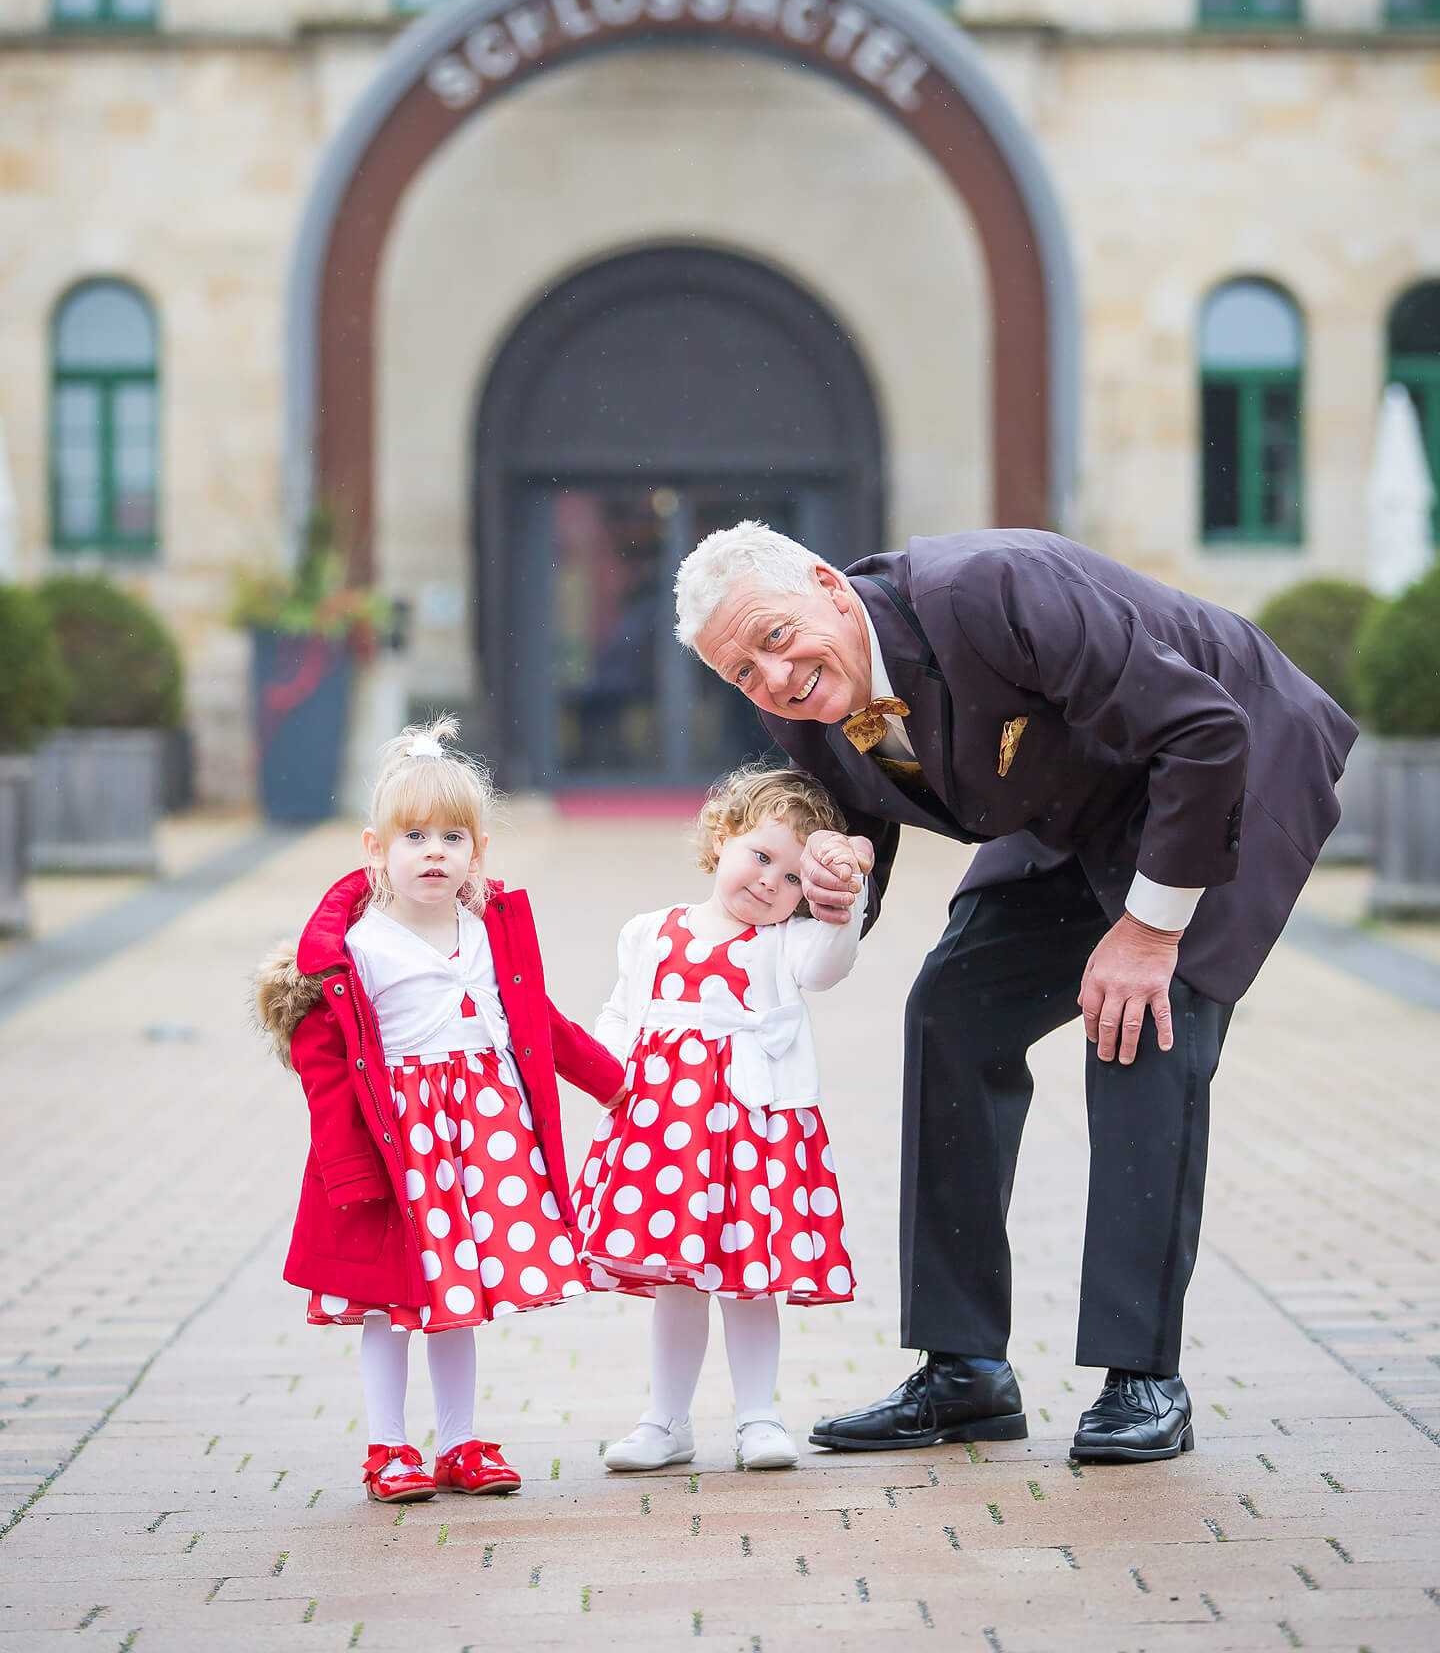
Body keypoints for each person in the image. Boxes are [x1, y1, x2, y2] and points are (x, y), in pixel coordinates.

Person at [674, 523, 1355, 1464]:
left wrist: (1151, 930)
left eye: (774, 638)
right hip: (1072, 796)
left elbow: (1202, 732)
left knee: (1138, 1030)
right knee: (950, 1012)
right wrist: (837, 884)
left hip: (1220, 761)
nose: (771, 675)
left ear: (829, 586)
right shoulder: (802, 710)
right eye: (741, 671)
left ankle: (1142, 1377)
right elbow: (856, 829)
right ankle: (964, 1375)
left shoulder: (993, 592)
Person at [255, 717, 624, 1504]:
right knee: (392, 1301)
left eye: (452, 837)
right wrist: (345, 1162)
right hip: (399, 1144)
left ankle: (458, 1442)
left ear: (477, 854)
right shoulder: (354, 949)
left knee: (457, 1301)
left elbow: (538, 1024)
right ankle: (389, 1446)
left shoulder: (487, 930)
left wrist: (610, 1080)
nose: (433, 852)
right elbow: (326, 1074)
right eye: (414, 835)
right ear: (374, 850)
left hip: (482, 1136)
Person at [576, 765, 872, 1473]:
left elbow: (831, 965)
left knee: (750, 1279)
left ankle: (759, 1417)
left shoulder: (786, 943)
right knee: (677, 1280)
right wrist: (609, 1074)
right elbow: (621, 1013)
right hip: (664, 1135)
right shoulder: (651, 933)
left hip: (751, 1135)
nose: (773, 882)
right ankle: (665, 1422)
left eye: (794, 878)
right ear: (722, 835)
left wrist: (845, 902)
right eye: (762, 857)